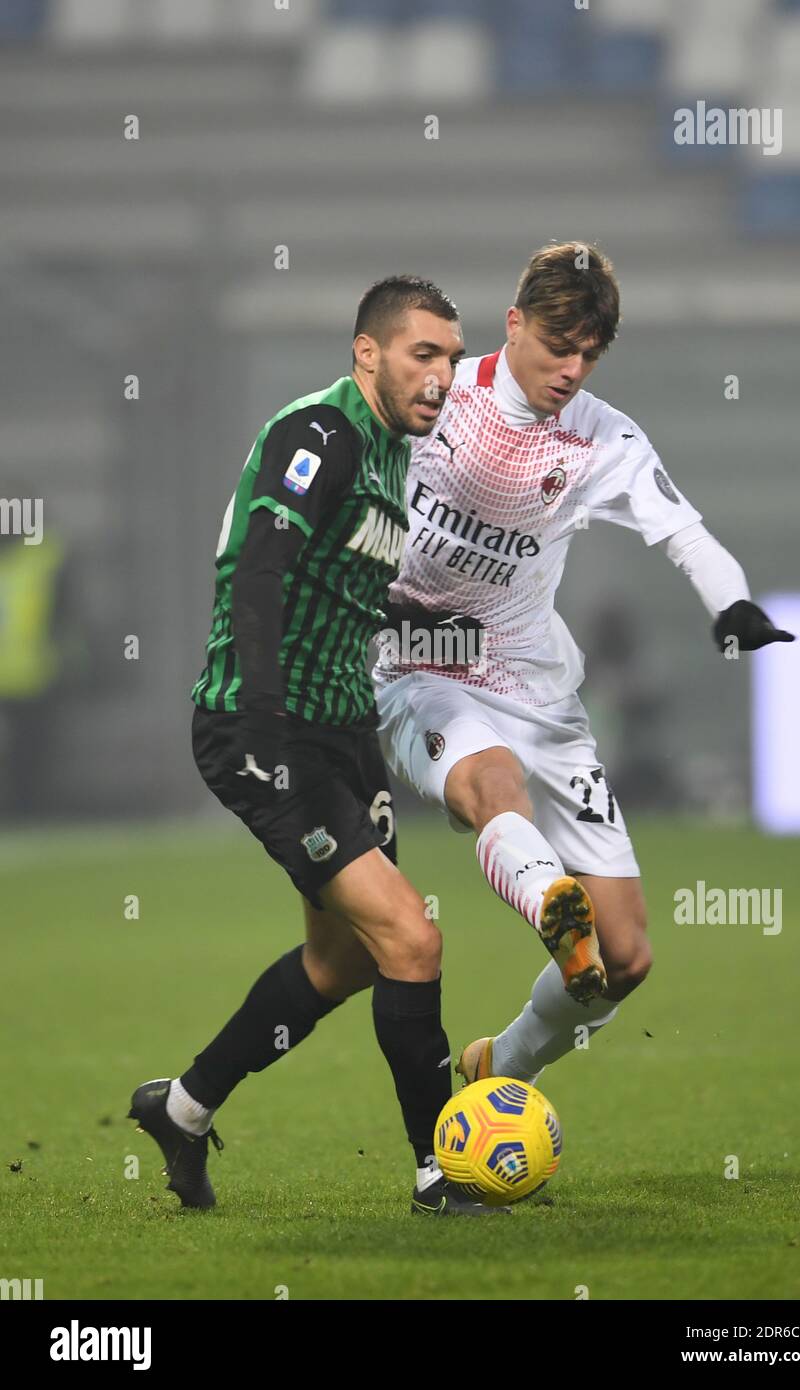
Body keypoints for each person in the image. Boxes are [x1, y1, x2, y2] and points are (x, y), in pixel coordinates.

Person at [373, 241, 794, 1087]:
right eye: (557, 346)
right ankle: (548, 904)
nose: (571, 369)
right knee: (492, 784)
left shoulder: (604, 439)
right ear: (513, 323)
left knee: (629, 954)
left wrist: (734, 604)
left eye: (588, 355)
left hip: (537, 689)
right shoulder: (438, 398)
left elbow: (682, 530)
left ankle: (505, 1064)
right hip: (420, 663)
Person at [128, 276, 501, 1216]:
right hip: (268, 728)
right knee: (412, 938)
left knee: (345, 962)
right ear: (367, 353)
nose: (443, 376)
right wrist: (259, 720)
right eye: (425, 354)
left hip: (342, 731)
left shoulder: (388, 455)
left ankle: (181, 1107)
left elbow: (349, 591)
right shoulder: (322, 435)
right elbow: (260, 567)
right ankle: (441, 1169)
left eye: (454, 359)